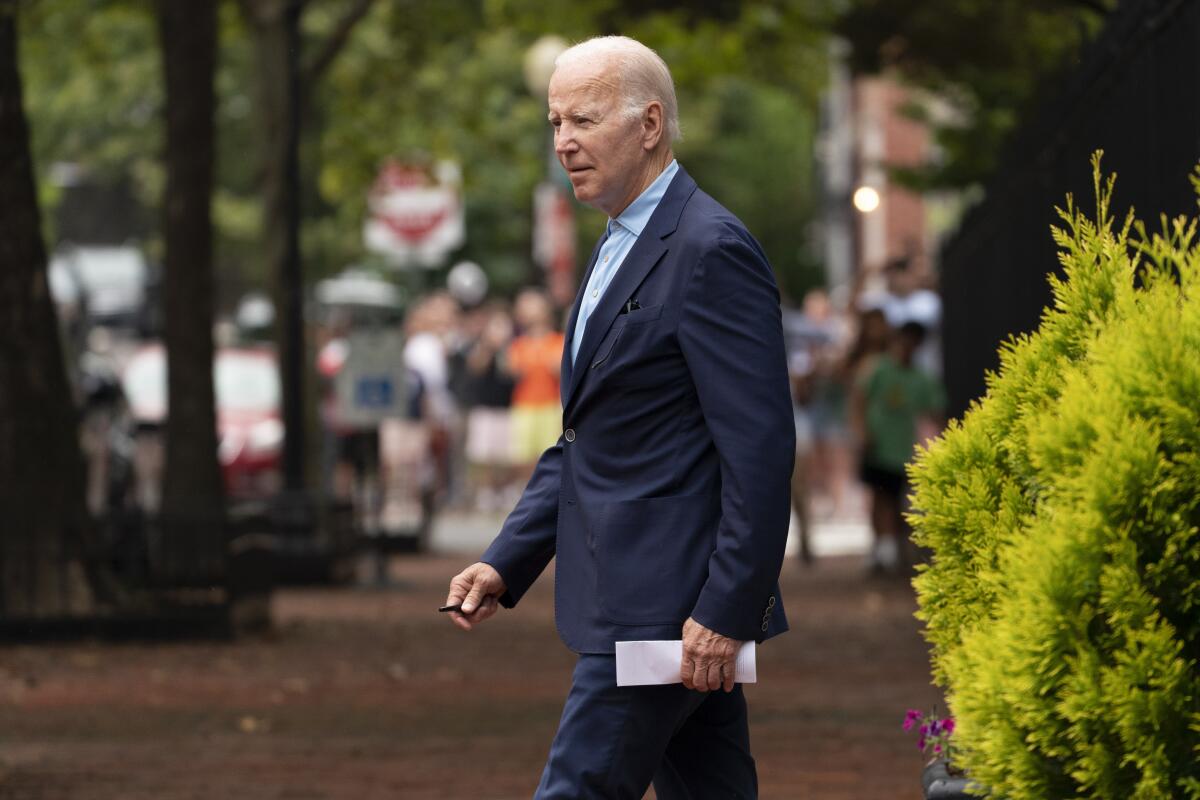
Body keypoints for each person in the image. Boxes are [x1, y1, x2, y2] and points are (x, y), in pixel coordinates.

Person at [443, 35, 794, 799]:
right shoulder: (617, 245)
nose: (564, 141)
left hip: (665, 613)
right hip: (646, 602)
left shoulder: (710, 249)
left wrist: (727, 609)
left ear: (650, 124)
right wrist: (507, 560)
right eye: (555, 122)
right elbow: (589, 437)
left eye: (584, 119)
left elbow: (760, 452)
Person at [851, 321, 945, 574]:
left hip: (901, 449)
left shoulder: (921, 378)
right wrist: (862, 432)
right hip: (877, 445)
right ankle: (882, 548)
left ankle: (890, 550)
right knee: (879, 497)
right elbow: (858, 400)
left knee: (893, 499)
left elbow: (935, 410)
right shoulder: (879, 369)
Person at [506, 288, 565, 483]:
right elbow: (513, 370)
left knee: (548, 452)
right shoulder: (520, 343)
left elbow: (559, 368)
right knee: (522, 455)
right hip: (524, 404)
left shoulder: (557, 340)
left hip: (549, 404)